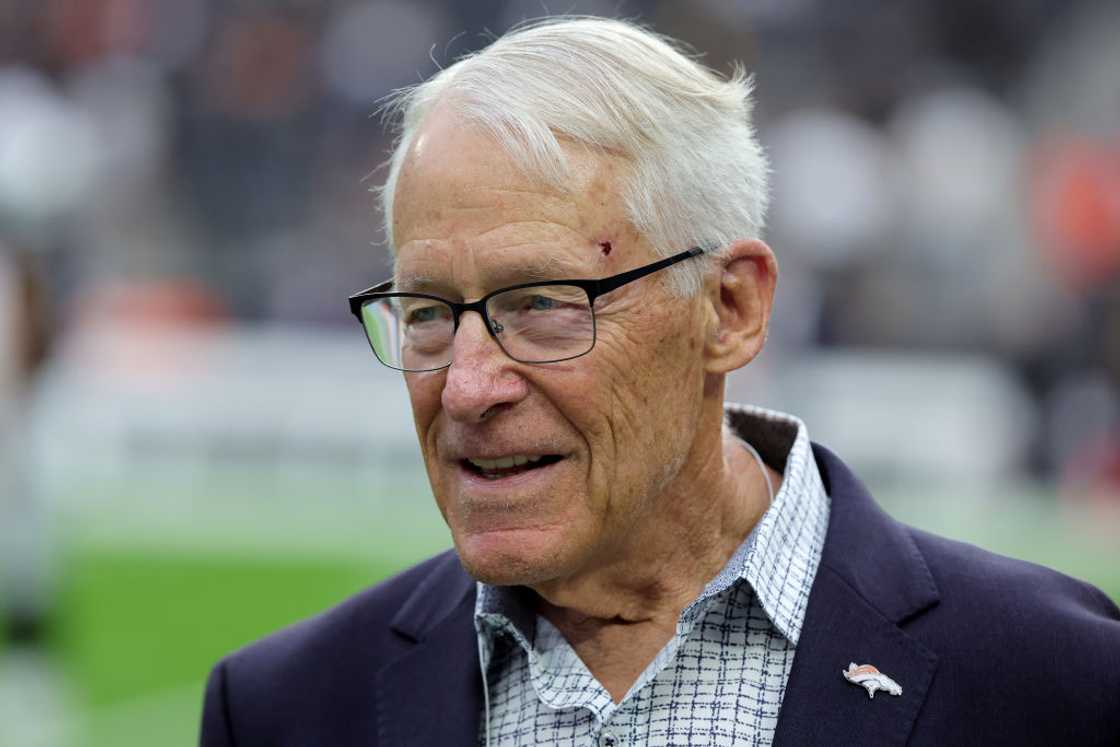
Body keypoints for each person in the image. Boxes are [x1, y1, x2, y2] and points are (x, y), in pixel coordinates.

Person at [200, 17, 1120, 746]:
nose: (469, 386)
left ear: (729, 309)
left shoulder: (1057, 680)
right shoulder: (285, 710)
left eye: (543, 304)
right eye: (431, 311)